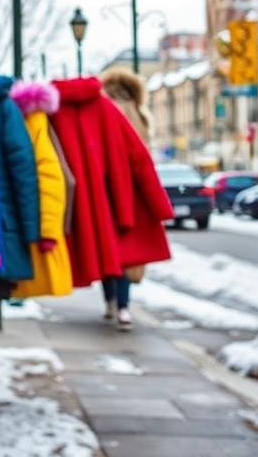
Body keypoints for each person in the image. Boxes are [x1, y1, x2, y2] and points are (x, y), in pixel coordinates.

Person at [100, 68, 153, 331]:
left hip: (105, 189)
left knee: (107, 248)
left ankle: (111, 301)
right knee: (128, 253)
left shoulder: (103, 108)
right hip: (134, 191)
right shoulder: (139, 113)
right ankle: (123, 306)